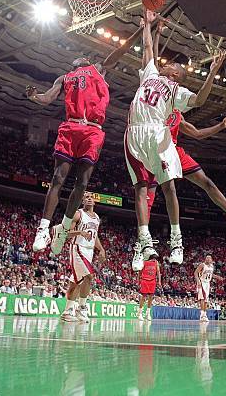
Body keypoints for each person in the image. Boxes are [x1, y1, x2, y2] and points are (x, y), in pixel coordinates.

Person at [27, 25, 145, 256]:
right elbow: (47, 98)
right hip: (71, 125)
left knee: (82, 182)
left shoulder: (97, 69)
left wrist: (138, 33)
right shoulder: (64, 77)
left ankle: (63, 227)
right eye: (78, 56)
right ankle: (43, 229)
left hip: (92, 129)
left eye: (84, 56)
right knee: (58, 177)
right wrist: (33, 96)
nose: (81, 56)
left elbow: (119, 51)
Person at [126, 10, 226, 271]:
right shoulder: (149, 74)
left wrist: (212, 73)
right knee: (140, 188)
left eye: (172, 65)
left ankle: (176, 239)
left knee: (168, 186)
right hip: (134, 132)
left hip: (157, 134)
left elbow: (200, 101)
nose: (166, 63)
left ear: (177, 74)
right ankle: (144, 240)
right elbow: (147, 46)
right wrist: (148, 25)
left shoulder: (177, 91)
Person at [60, 191, 105, 322]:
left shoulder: (96, 217)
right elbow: (66, 234)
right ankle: (81, 307)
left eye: (91, 197)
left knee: (76, 283)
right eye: (86, 197)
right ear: (83, 201)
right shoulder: (78, 214)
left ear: (94, 201)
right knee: (89, 276)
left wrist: (101, 249)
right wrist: (80, 232)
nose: (89, 199)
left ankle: (67, 312)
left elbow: (94, 235)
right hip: (77, 248)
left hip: (89, 251)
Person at [194, 255, 223, 322]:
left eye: (209, 258)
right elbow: (195, 273)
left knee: (206, 300)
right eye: (207, 258)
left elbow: (211, 274)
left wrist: (218, 277)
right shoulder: (202, 265)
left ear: (211, 260)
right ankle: (202, 315)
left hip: (207, 283)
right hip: (202, 282)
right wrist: (198, 281)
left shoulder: (212, 266)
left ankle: (204, 314)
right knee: (202, 298)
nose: (208, 259)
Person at [138, 253, 161, 321]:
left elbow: (158, 272)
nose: (154, 260)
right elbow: (140, 271)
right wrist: (139, 279)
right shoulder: (144, 262)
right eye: (154, 258)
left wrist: (159, 281)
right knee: (143, 296)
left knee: (151, 296)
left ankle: (148, 313)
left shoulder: (156, 263)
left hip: (152, 281)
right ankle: (140, 313)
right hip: (145, 280)